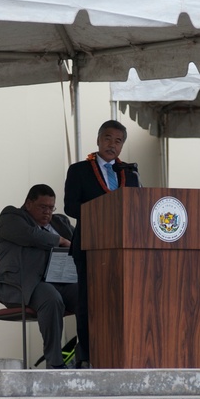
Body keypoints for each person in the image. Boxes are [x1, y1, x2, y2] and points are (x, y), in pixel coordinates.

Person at [63, 120, 141, 367]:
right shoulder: (79, 170)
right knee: (88, 301)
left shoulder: (129, 172)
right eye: (108, 138)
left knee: (119, 300)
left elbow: (137, 208)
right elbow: (70, 207)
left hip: (122, 248)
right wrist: (101, 211)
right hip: (89, 245)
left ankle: (120, 351)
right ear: (98, 140)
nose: (112, 144)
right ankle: (86, 354)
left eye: (118, 141)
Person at [0, 184, 77, 369]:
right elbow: (31, 236)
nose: (48, 212)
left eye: (51, 207)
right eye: (43, 207)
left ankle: (87, 355)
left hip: (60, 279)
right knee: (51, 298)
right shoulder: (11, 216)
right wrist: (60, 241)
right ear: (29, 203)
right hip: (24, 283)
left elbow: (79, 241)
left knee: (88, 296)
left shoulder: (59, 222)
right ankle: (55, 363)